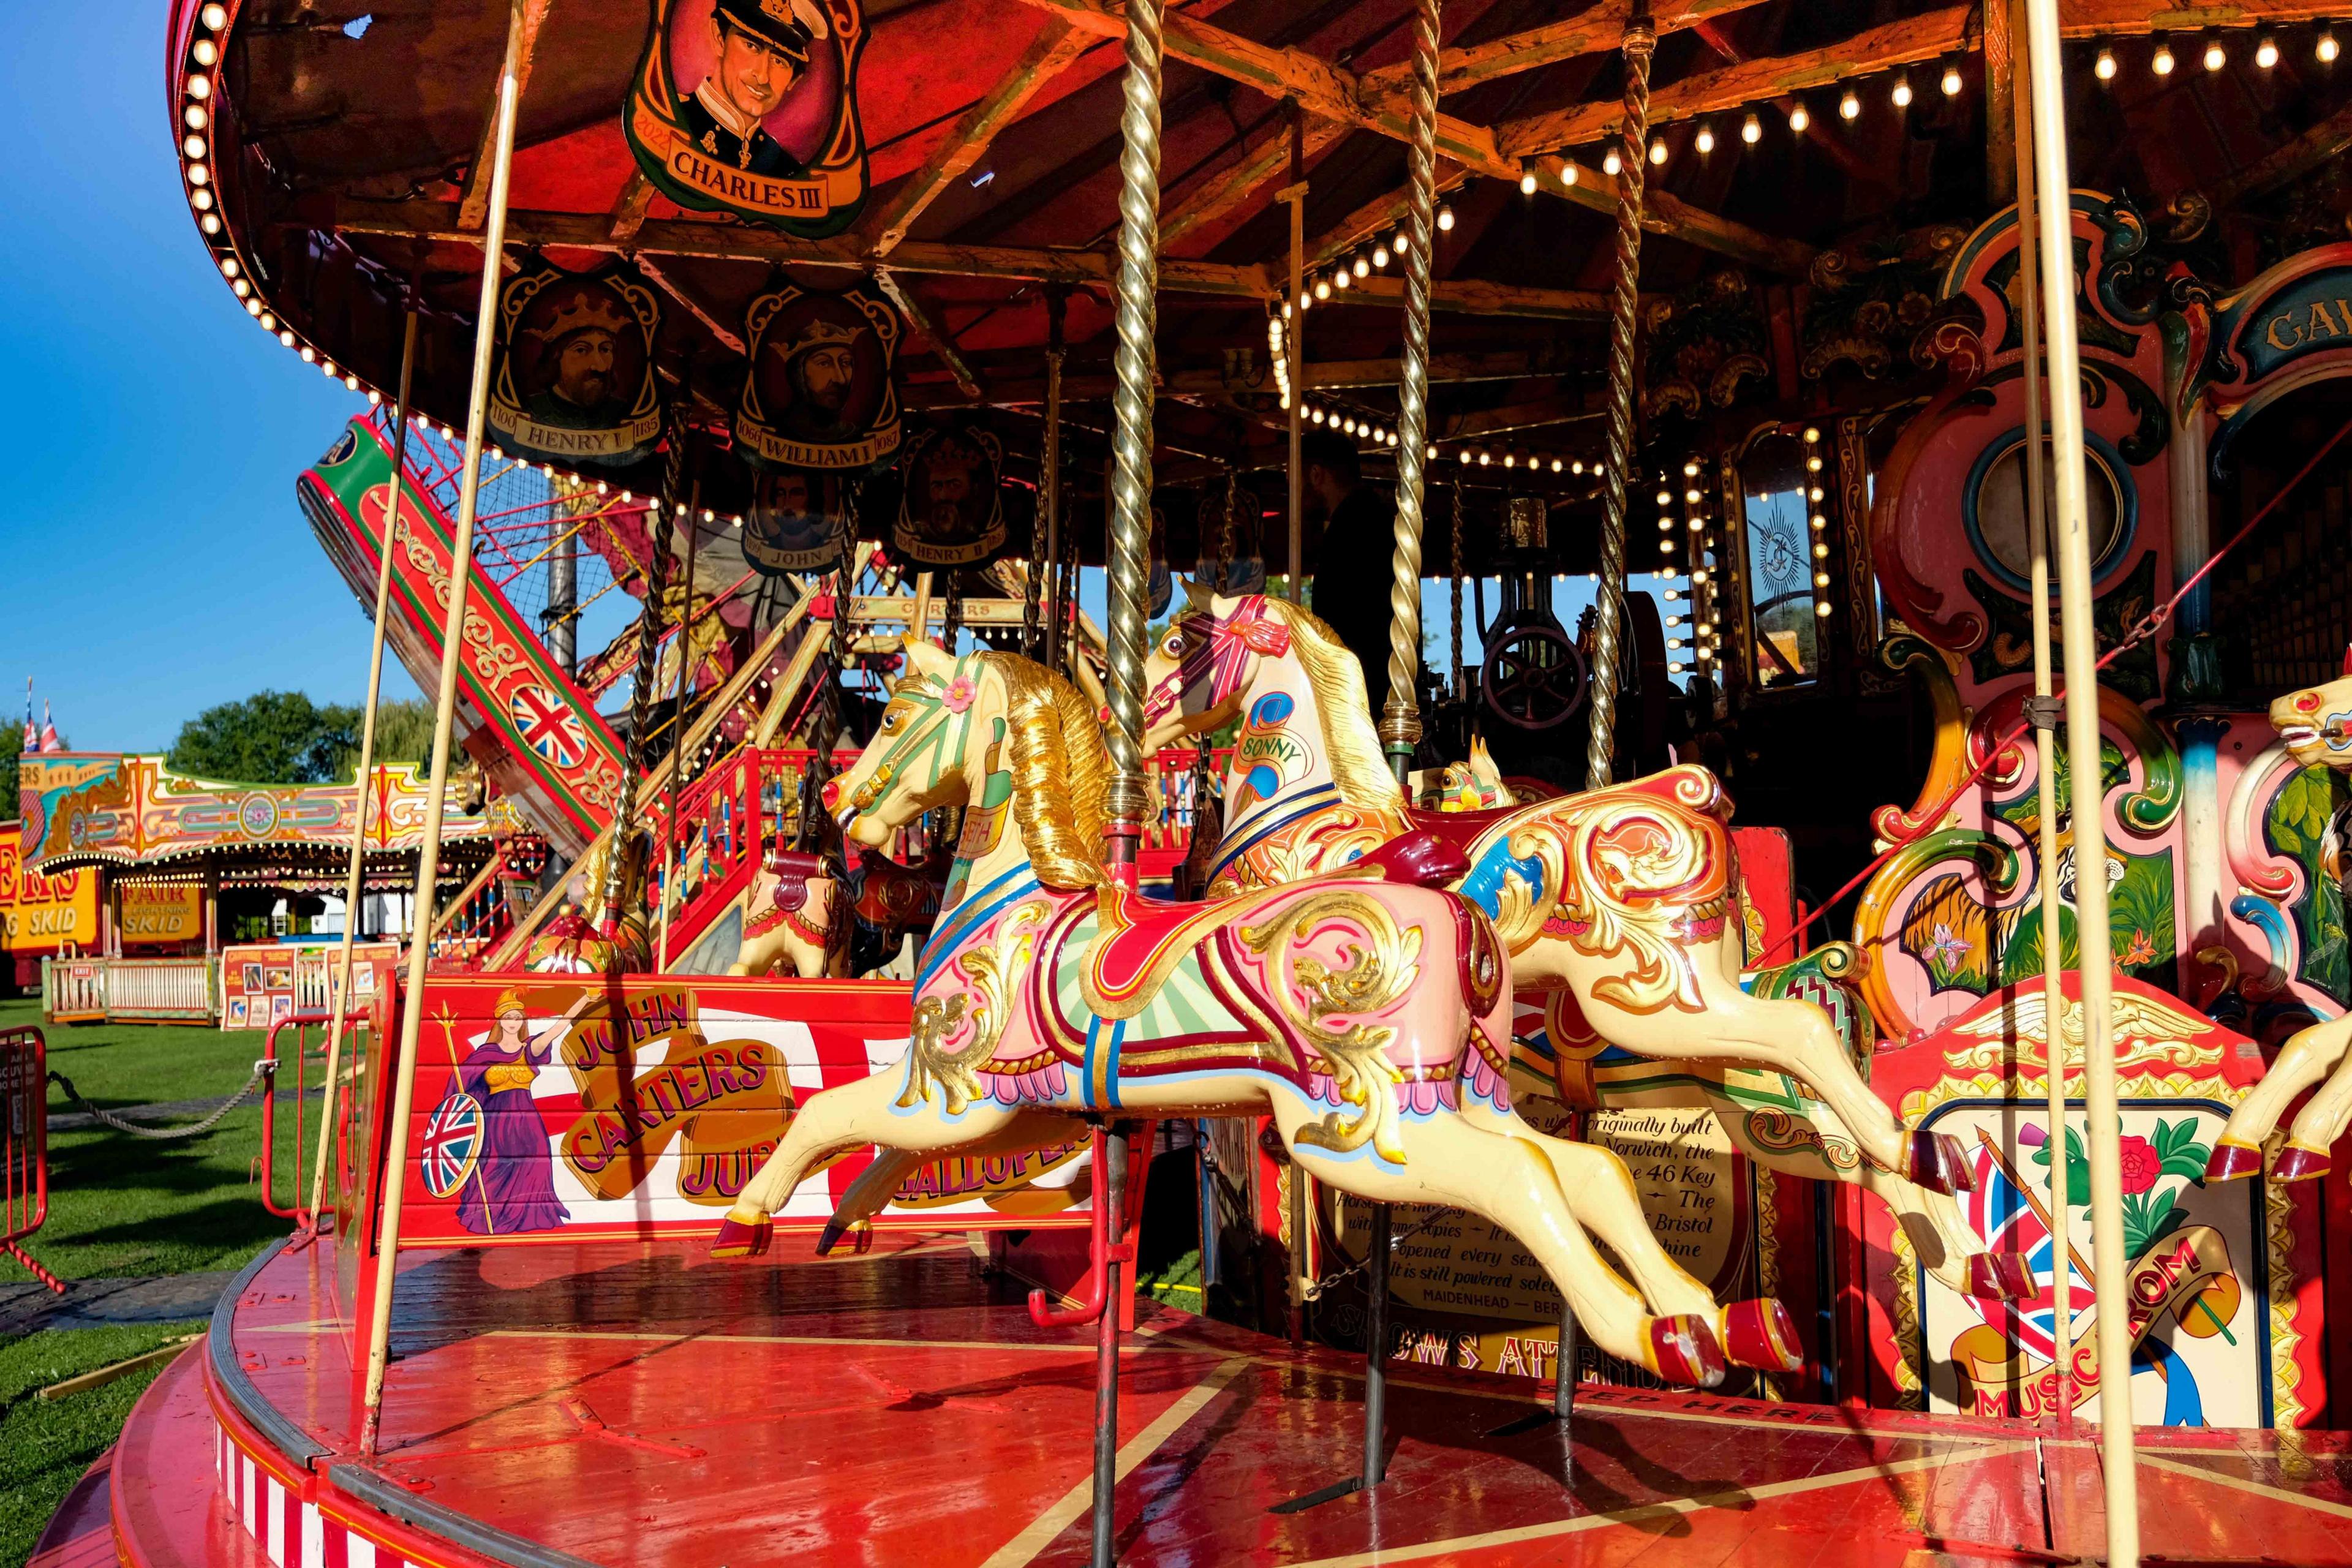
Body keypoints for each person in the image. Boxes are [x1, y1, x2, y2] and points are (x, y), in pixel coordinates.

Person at [451, 988, 594, 1235]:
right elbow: (461, 1088)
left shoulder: (530, 1049)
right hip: (495, 1122)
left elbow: (557, 1029)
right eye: (509, 1017)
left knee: (533, 1168)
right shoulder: (485, 1055)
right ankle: (491, 1220)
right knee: (493, 1169)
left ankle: (528, 1219)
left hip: (527, 1122)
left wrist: (583, 999)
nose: (513, 1022)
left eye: (518, 1017)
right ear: (500, 1020)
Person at [1302, 428, 1405, 719]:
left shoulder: (1353, 527)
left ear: (1315, 475)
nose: (1289, 484)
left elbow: (1339, 620)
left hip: (1360, 692)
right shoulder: (1368, 519)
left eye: (1292, 474)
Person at [678, 0, 829, 176]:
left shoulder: (786, 169)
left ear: (794, 80)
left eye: (779, 61)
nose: (763, 76)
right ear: (719, 39)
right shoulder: (676, 118)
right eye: (751, 46)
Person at [520, 292, 631, 426]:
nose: (600, 366)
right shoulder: (529, 410)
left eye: (605, 350)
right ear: (556, 356)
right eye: (581, 350)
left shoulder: (623, 413)